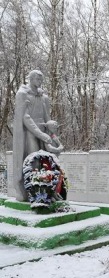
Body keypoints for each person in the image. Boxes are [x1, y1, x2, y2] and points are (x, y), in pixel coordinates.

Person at [13, 70, 53, 201]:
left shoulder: (43, 97)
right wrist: (40, 134)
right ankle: (32, 190)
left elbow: (47, 116)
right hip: (30, 132)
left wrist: (51, 127)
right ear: (30, 79)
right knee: (34, 161)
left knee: (46, 162)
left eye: (41, 79)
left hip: (43, 132)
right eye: (37, 79)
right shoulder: (23, 94)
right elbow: (25, 117)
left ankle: (46, 190)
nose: (40, 82)